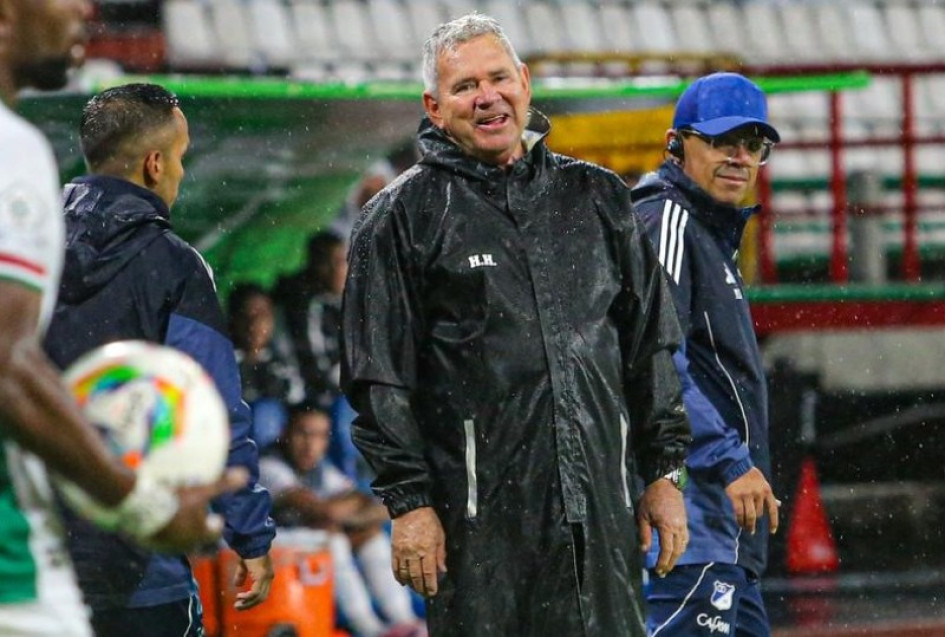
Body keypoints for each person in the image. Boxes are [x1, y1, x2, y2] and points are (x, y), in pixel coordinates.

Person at [341, 13, 692, 637]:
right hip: (478, 526)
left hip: (602, 519)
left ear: (525, 84)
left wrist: (663, 475)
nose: (487, 97)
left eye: (498, 78)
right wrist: (410, 504)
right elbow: (379, 381)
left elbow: (651, 349)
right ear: (434, 106)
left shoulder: (600, 199)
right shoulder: (398, 220)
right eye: (465, 86)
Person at [0, 4, 248, 636]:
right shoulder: (12, 153)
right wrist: (145, 503)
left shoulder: (50, 219)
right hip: (43, 568)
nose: (85, 8)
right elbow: (8, 367)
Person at [42, 83, 276, 637]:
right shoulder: (174, 267)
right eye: (181, 158)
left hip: (33, 555)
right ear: (154, 164)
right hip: (140, 561)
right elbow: (214, 414)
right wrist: (251, 535)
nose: (181, 173)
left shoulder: (25, 247)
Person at [632, 72, 782, 636]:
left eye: (753, 145)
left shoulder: (706, 231)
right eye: (723, 142)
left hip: (721, 535)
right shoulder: (668, 219)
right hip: (691, 524)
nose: (740, 157)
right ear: (677, 144)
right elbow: (655, 357)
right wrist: (730, 461)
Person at [259, 403, 424, 637]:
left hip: (301, 545)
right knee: (330, 536)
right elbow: (322, 512)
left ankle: (404, 621)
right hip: (262, 546)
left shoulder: (320, 470)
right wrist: (349, 510)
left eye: (318, 436)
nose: (310, 444)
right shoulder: (269, 465)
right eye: (303, 433)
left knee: (370, 535)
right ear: (285, 432)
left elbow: (380, 507)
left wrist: (348, 512)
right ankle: (368, 628)